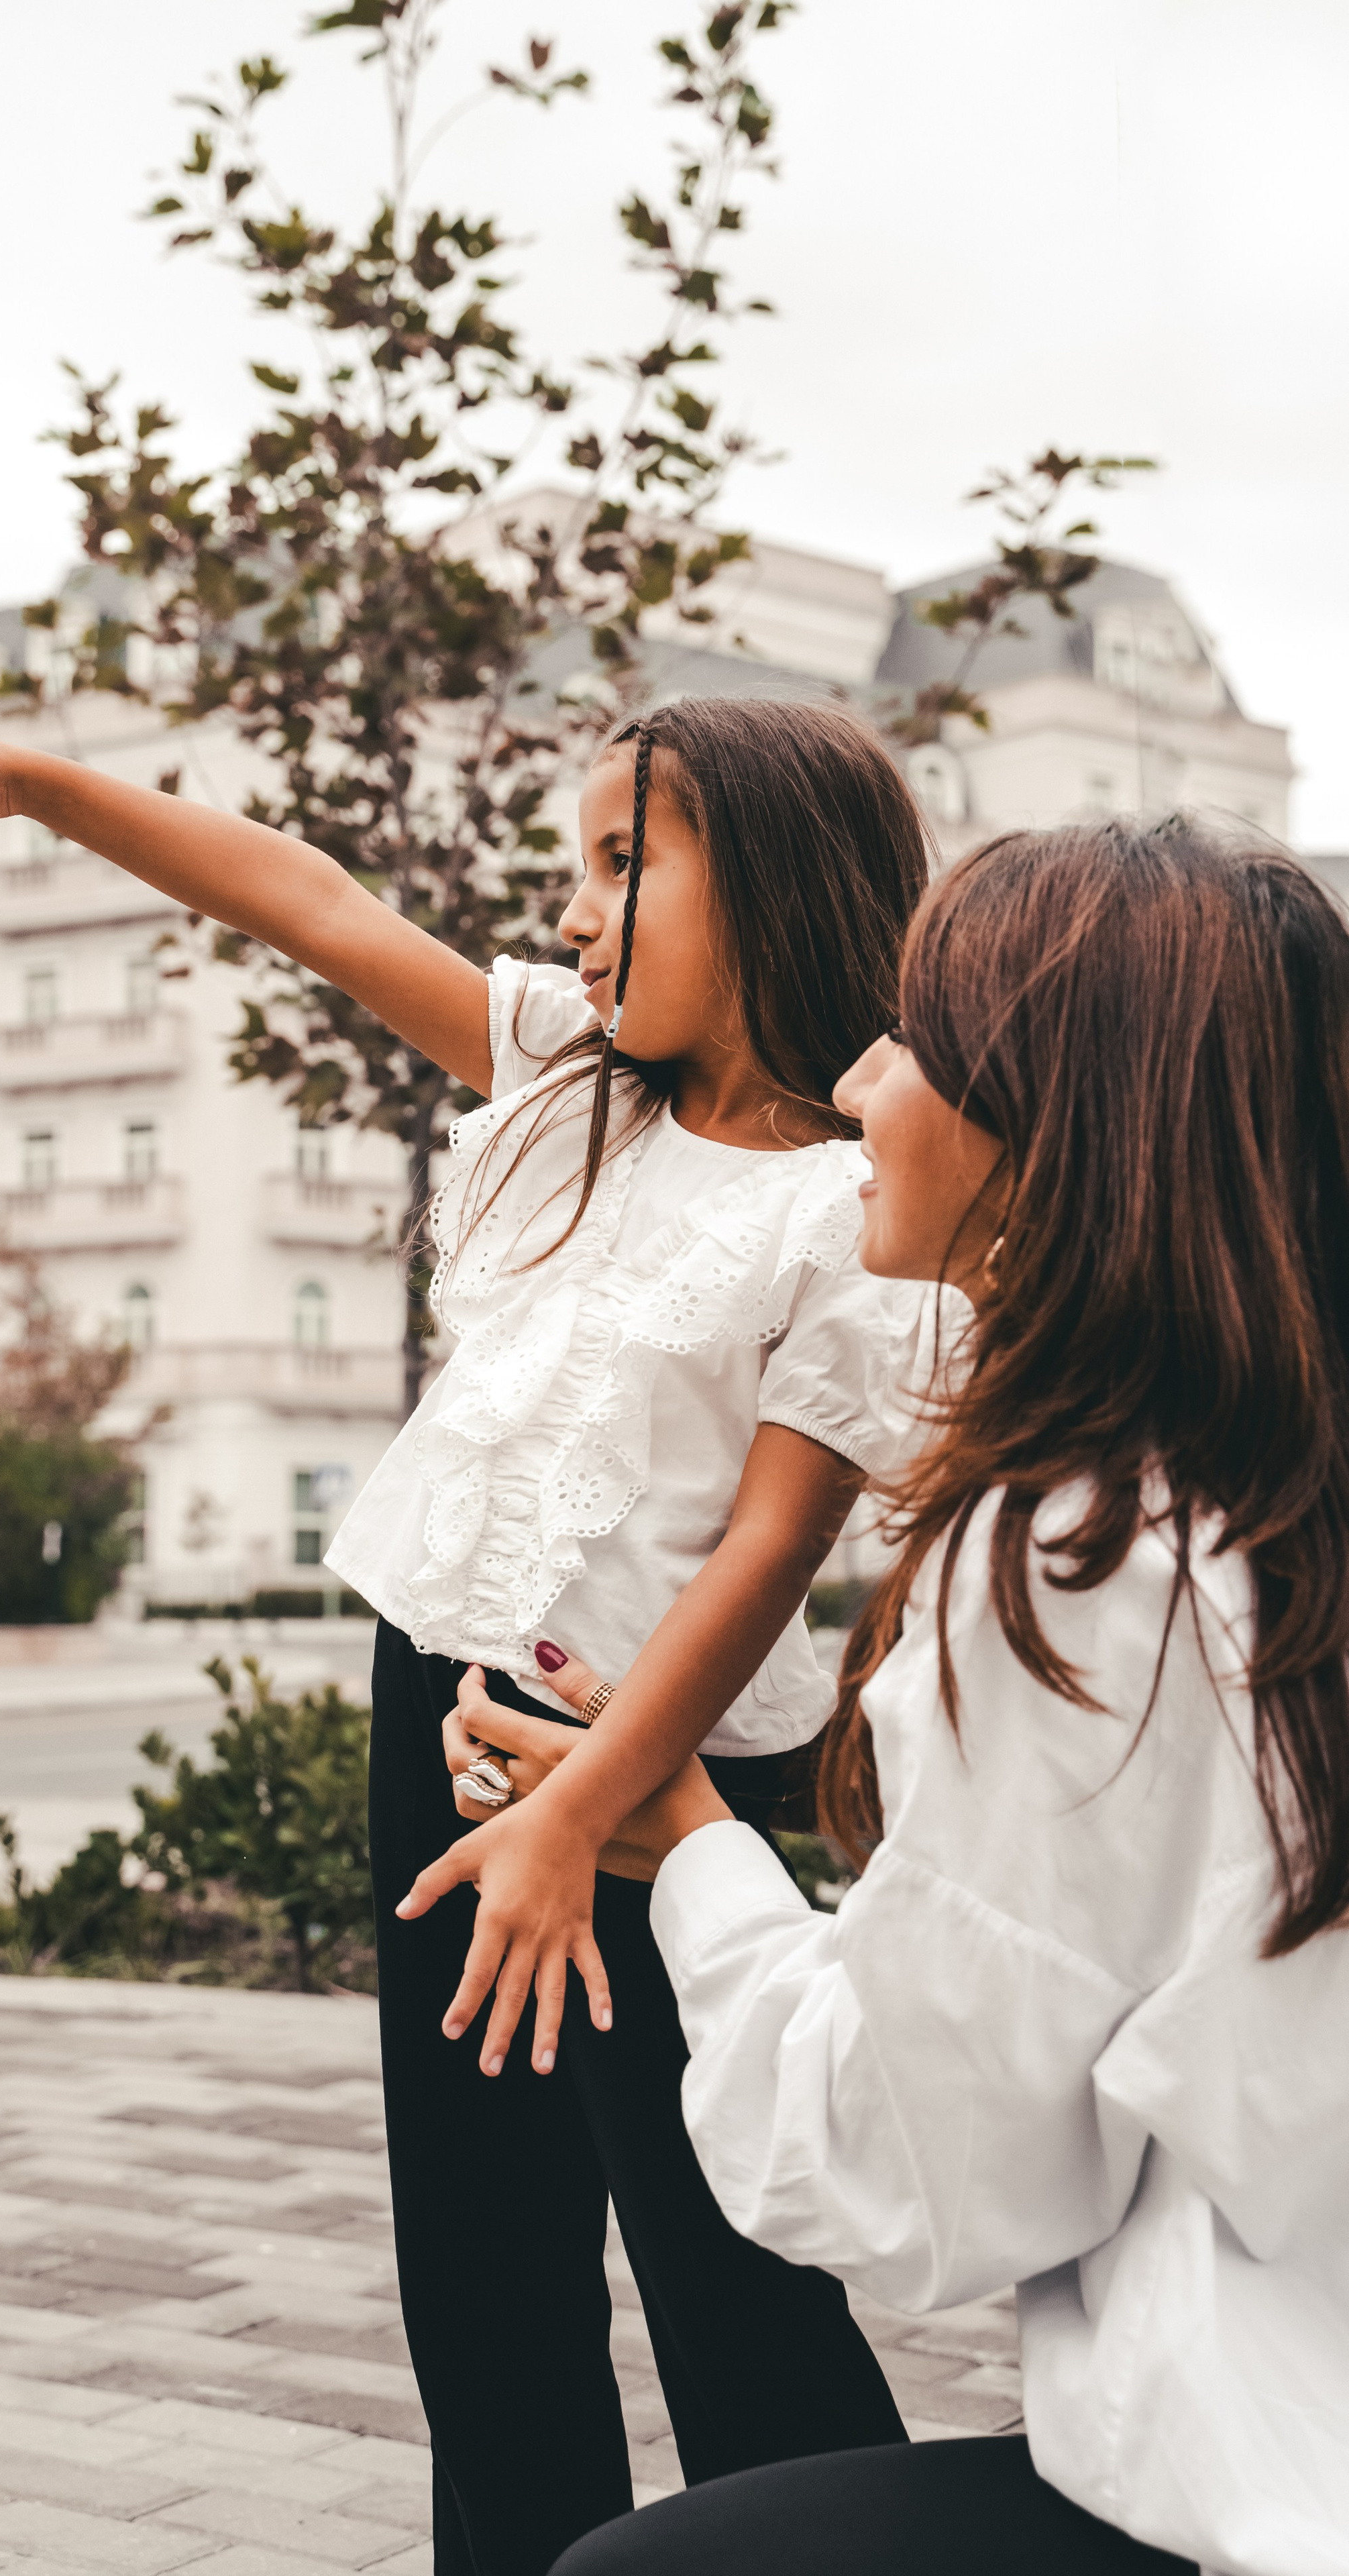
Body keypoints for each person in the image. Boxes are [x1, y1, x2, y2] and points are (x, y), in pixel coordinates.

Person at [0, 676, 934, 2575]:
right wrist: (36, 782)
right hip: (447, 1710)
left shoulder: (845, 1197)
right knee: (479, 2278)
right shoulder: (569, 1080)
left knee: (732, 2269)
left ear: (781, 885)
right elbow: (302, 898)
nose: (570, 909)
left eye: (621, 863)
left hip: (657, 1780)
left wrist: (586, 1819)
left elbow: (761, 1559)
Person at [504, 818, 1349, 2576]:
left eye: (912, 1036)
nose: (861, 1076)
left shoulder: (1080, 1547)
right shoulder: (1272, 1499)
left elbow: (905, 2179)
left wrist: (682, 1835)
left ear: (1050, 1127)